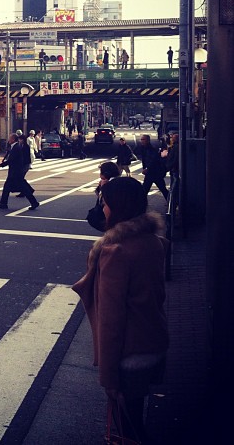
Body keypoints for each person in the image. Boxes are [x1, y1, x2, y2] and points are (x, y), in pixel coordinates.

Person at [73, 177, 168, 444]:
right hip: (152, 342)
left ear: (117, 207)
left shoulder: (115, 251)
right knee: (135, 416)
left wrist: (109, 376)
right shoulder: (153, 242)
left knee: (128, 428)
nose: (103, 208)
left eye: (105, 203)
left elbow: (111, 320)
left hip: (128, 352)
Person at [0, 133, 40, 211]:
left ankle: (34, 202)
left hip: (16, 172)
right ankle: (3, 203)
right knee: (7, 187)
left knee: (23, 188)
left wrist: (0, 165)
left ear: (13, 139)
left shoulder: (16, 147)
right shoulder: (15, 147)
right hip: (15, 172)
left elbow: (11, 160)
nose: (8, 139)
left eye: (10, 138)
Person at [137, 134, 169, 200]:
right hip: (151, 173)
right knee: (145, 189)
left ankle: (173, 203)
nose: (142, 141)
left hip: (154, 173)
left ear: (148, 140)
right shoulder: (144, 148)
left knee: (162, 189)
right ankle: (172, 202)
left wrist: (147, 169)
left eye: (143, 139)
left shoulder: (151, 149)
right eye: (141, 139)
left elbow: (153, 161)